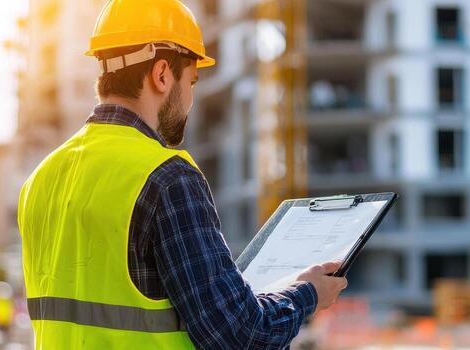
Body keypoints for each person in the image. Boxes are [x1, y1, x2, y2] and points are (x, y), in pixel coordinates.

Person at [17, 0, 348, 349]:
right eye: (191, 81)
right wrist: (307, 294)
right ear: (162, 74)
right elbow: (242, 336)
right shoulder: (167, 178)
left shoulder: (41, 178)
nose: (190, 98)